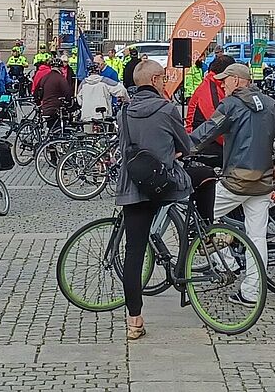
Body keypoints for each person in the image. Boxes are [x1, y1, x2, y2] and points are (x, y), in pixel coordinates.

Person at [189, 57, 275, 307]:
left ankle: (227, 260)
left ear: (237, 80)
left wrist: (182, 148)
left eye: (225, 81)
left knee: (201, 215)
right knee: (257, 237)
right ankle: (251, 292)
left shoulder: (231, 105)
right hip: (263, 181)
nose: (223, 85)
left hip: (235, 180)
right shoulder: (269, 104)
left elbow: (206, 132)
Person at [115, 59, 193, 341]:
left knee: (133, 253)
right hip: (162, 186)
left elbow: (124, 149)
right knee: (201, 182)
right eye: (163, 78)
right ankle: (203, 240)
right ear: (157, 80)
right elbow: (186, 145)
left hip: (132, 188)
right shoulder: (167, 108)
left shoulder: (124, 111)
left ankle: (134, 320)